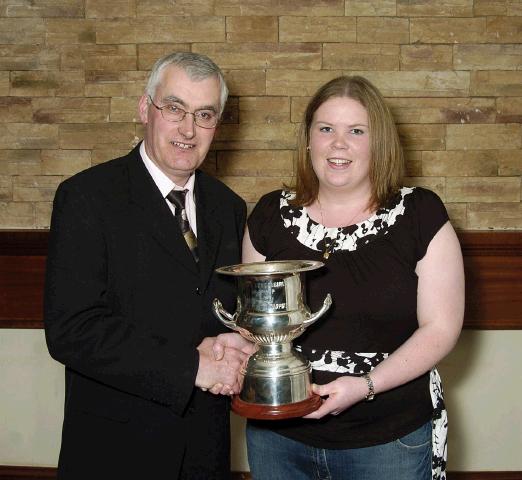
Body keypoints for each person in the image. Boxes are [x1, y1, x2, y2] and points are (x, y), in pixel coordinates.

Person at [242, 76, 465, 480]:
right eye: (326, 129)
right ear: (308, 139)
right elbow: (255, 327)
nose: (338, 144)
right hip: (278, 440)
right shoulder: (269, 215)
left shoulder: (420, 214)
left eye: (356, 131)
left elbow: (441, 329)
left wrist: (364, 386)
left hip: (387, 440)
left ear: (378, 142)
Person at [44, 52, 254, 480]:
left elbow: (223, 313)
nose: (188, 129)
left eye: (205, 114)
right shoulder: (87, 197)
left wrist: (239, 343)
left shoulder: (228, 208)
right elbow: (72, 330)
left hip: (205, 453)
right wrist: (192, 366)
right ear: (145, 108)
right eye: (174, 108)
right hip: (116, 454)